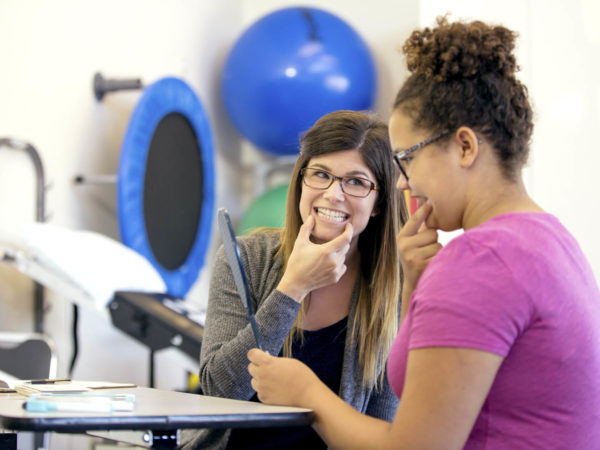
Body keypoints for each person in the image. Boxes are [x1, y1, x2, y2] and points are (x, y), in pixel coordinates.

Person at [247, 17, 600, 449]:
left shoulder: (481, 258)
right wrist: (419, 285)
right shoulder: (548, 238)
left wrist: (307, 394)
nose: (401, 183)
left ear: (465, 147)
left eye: (406, 159)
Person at [183, 110, 407, 449]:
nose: (333, 194)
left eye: (356, 182)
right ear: (301, 179)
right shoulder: (247, 257)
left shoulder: (394, 290)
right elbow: (219, 392)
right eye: (321, 174)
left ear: (378, 203)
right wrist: (293, 288)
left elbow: (380, 431)